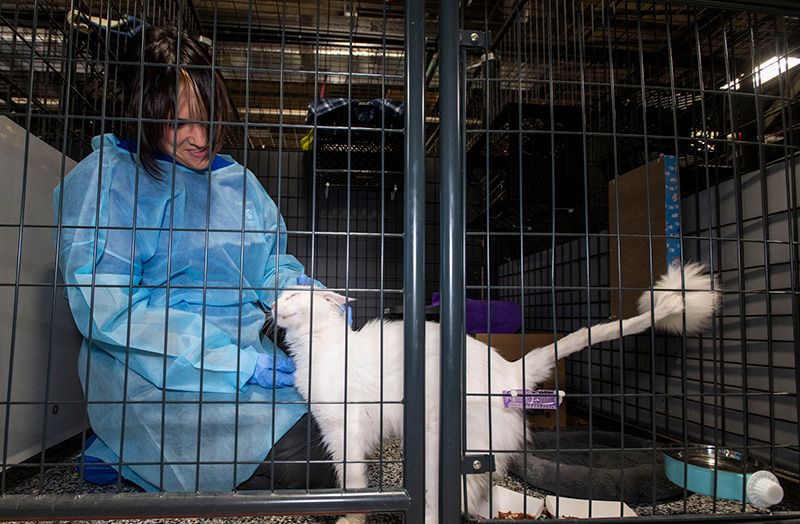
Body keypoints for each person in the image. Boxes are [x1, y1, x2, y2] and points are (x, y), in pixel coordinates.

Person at [55, 26, 337, 492]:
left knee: (343, 424)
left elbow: (270, 265)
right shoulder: (109, 180)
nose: (200, 138)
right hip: (153, 373)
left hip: (245, 360)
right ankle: (122, 448)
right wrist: (233, 364)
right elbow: (111, 312)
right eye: (178, 122)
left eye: (208, 117)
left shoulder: (238, 183)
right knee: (314, 461)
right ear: (144, 115)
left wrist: (306, 298)